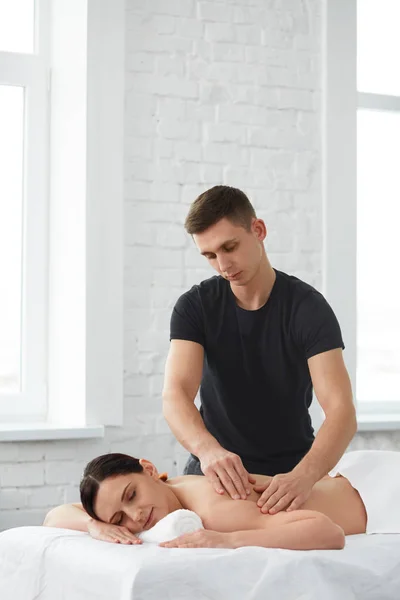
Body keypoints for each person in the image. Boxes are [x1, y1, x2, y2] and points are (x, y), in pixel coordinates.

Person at [162, 185, 357, 515]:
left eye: (229, 247)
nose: (222, 264)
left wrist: (305, 476)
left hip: (288, 479)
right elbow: (176, 394)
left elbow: (341, 411)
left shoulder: (308, 308)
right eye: (209, 255)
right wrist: (208, 451)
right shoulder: (194, 306)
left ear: (259, 230)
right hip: (214, 476)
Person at [43, 450, 400, 551]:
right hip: (353, 475)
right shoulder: (171, 491)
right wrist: (95, 524)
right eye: (119, 519)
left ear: (149, 469)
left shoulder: (213, 508)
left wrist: (225, 540)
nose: (135, 517)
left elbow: (328, 532)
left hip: (383, 492)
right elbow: (54, 517)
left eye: (131, 496)